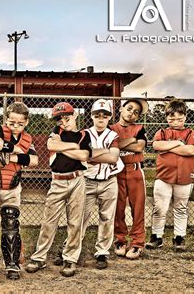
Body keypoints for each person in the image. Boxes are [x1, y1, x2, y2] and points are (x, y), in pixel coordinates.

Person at [25, 102, 91, 277]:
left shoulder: (84, 135)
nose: (63, 121)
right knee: (49, 221)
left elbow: (84, 155)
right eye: (59, 118)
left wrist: (66, 147)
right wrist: (73, 147)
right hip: (57, 181)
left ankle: (70, 259)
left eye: (66, 117)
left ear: (74, 115)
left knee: (75, 222)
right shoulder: (56, 131)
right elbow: (51, 146)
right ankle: (39, 258)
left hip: (77, 180)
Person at [0, 102, 38, 280]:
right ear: (6, 120)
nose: (15, 126)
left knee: (10, 220)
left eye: (20, 123)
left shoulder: (27, 138)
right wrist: (17, 150)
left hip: (12, 188)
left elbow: (34, 161)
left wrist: (11, 156)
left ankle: (12, 264)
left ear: (26, 122)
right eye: (12, 123)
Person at [146, 99, 194, 251]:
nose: (175, 121)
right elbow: (157, 145)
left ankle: (179, 238)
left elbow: (190, 151)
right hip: (163, 177)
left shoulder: (190, 132)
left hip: (184, 178)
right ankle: (156, 237)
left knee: (180, 208)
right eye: (171, 118)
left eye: (179, 118)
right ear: (166, 117)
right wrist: (179, 143)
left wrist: (168, 147)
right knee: (159, 208)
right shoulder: (161, 132)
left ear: (185, 117)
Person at [81, 99, 123, 269]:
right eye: (97, 115)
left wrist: (91, 154)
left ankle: (102, 253)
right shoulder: (84, 133)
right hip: (87, 181)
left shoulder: (113, 135)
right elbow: (83, 156)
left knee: (106, 218)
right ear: (91, 116)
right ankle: (71, 250)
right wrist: (103, 152)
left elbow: (113, 158)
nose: (100, 118)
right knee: (80, 217)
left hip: (109, 181)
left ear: (109, 117)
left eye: (104, 115)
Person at [110, 98, 149, 259]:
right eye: (129, 108)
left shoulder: (139, 128)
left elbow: (139, 147)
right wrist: (130, 140)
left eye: (136, 112)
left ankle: (137, 243)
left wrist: (119, 143)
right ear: (121, 109)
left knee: (137, 209)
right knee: (118, 209)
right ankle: (120, 240)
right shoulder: (110, 128)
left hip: (135, 171)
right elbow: (109, 146)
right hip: (116, 171)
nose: (132, 113)